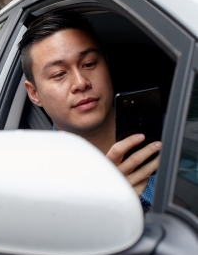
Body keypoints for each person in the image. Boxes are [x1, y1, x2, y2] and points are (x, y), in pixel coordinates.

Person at [19, 13, 160, 211]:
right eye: (59, 74)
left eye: (89, 64)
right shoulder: (32, 185)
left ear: (107, 65)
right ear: (34, 94)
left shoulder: (178, 132)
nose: (80, 83)